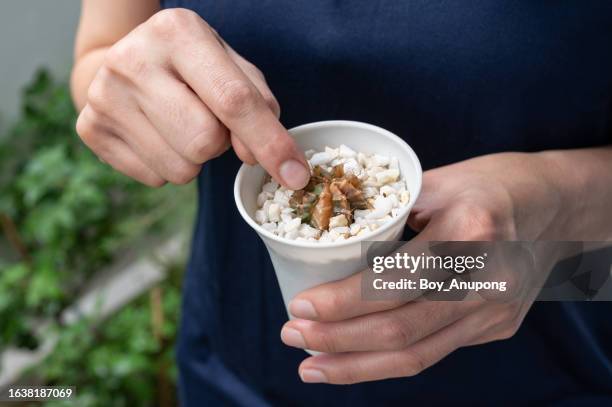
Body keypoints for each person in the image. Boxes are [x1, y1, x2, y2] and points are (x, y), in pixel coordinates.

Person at [72, 1, 612, 405]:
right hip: (239, 363)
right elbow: (100, 55)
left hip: (554, 364)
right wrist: (125, 87)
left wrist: (556, 202)